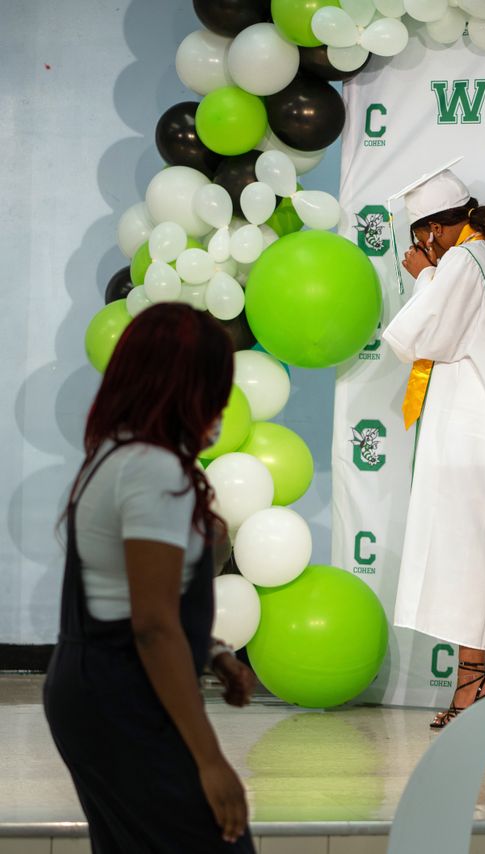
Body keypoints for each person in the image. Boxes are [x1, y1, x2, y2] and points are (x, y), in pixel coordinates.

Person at [43, 303, 258, 851]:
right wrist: (209, 760)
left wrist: (208, 651)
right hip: (124, 696)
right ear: (186, 385)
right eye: (216, 384)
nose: (223, 402)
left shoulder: (113, 453)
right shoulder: (153, 468)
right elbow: (152, 624)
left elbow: (128, 593)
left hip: (90, 689)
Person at [383, 159, 485, 729]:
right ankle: (474, 677)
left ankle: (475, 680)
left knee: (469, 561)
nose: (424, 247)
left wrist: (424, 274)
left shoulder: (465, 261)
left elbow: (415, 335)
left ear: (433, 230)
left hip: (471, 435)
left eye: (422, 238)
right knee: (477, 559)